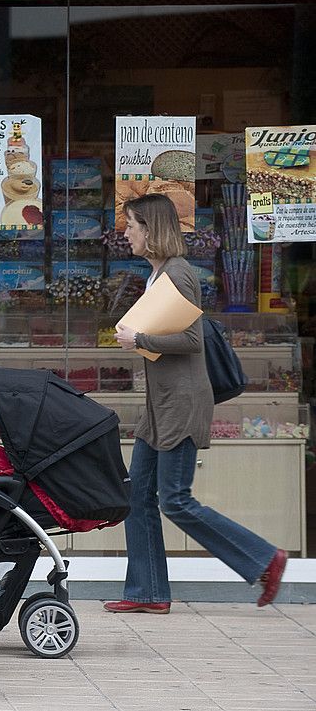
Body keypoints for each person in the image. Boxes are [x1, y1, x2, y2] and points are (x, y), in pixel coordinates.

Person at [106, 193, 287, 614]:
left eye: (132, 225)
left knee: (175, 500)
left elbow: (190, 340)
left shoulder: (179, 274)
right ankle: (148, 592)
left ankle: (264, 559)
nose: (126, 232)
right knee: (137, 498)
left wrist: (140, 340)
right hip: (160, 406)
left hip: (181, 406)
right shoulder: (157, 275)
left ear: (151, 230)